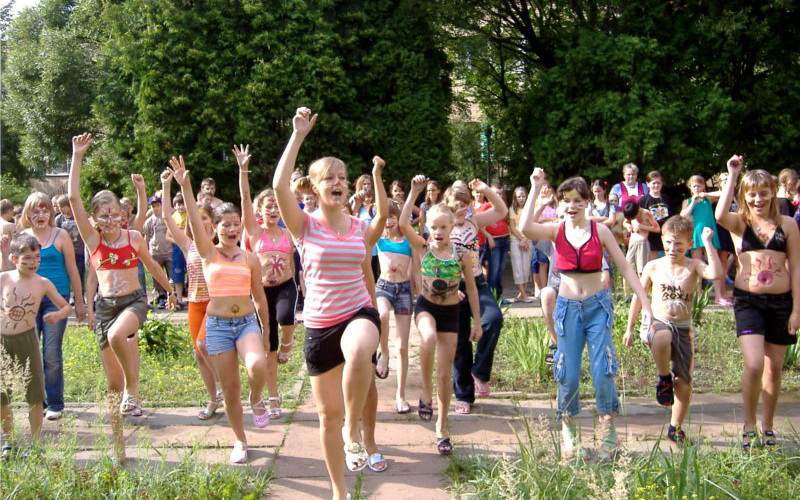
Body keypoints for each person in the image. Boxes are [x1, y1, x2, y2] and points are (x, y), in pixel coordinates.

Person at [272, 107, 387, 500]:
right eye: (329, 178)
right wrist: (298, 135)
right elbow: (279, 187)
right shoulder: (304, 225)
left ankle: (354, 430)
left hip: (359, 312)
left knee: (358, 349)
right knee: (327, 416)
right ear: (315, 188)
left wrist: (377, 178)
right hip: (320, 325)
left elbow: (381, 223)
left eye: (342, 177)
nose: (338, 182)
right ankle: (339, 491)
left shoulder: (359, 227)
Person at [520, 168, 653, 458]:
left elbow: (626, 267)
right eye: (566, 201)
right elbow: (525, 227)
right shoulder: (555, 230)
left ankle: (608, 433)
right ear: (560, 204)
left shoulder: (599, 230)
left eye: (578, 201)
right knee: (567, 372)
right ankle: (569, 432)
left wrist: (646, 304)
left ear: (587, 203)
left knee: (603, 370)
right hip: (567, 309)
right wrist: (535, 188)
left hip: (597, 308)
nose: (572, 206)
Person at [68, 133, 176, 463]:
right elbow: (73, 197)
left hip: (133, 301)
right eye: (104, 215)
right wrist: (77, 157)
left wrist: (170, 290)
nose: (111, 220)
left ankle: (135, 390)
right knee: (111, 386)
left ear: (122, 214)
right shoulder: (92, 240)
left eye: (115, 213)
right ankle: (119, 448)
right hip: (105, 307)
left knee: (119, 337)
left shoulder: (134, 237)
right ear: (95, 219)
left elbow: (153, 267)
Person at [171, 155, 271, 464]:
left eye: (236, 224)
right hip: (217, 326)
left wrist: (267, 332)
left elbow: (260, 298)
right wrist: (185, 186)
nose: (232, 228)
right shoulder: (207, 253)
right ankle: (240, 440)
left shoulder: (250, 258)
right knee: (229, 389)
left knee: (257, 366)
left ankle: (257, 398)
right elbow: (192, 217)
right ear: (215, 228)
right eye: (225, 224)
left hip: (246, 324)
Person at [715, 155, 800, 450]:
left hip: (781, 303)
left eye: (764, 193)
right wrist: (732, 175)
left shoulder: (788, 225)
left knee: (773, 369)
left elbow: (796, 267)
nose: (758, 199)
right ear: (744, 196)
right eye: (752, 194)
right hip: (748, 302)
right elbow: (719, 214)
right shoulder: (740, 223)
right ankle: (749, 425)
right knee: (753, 364)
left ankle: (768, 426)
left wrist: (797, 310)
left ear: (773, 193)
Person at [400, 175, 481, 455]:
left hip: (451, 313)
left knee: (445, 376)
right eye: (433, 227)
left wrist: (478, 322)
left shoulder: (461, 254)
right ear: (427, 228)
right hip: (426, 307)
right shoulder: (423, 247)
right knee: (427, 337)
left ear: (452, 227)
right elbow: (403, 224)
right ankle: (425, 391)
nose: (438, 231)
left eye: (443, 227)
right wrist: (413, 192)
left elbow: (472, 289)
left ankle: (442, 428)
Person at [624, 217, 723, 444]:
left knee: (684, 383)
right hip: (658, 322)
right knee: (663, 335)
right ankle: (663, 378)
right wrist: (629, 328)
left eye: (679, 244)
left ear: (689, 244)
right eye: (668, 242)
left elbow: (716, 273)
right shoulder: (653, 266)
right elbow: (639, 297)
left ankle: (675, 428)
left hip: (683, 328)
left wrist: (708, 243)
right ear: (662, 240)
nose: (672, 248)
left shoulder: (693, 266)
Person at [235, 144, 298, 419]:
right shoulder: (255, 232)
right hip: (262, 292)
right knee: (267, 346)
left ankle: (288, 343)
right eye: (268, 206)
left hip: (286, 286)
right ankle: (273, 397)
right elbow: (244, 199)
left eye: (276, 206)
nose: (273, 210)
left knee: (286, 318)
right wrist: (243, 170)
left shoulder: (288, 232)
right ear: (259, 211)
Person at [0, 234, 72, 458]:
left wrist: (57, 315)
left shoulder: (42, 283)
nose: (33, 262)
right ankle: (9, 443)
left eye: (37, 257)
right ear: (14, 259)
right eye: (27, 259)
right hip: (3, 341)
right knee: (2, 395)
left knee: (34, 394)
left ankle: (35, 444)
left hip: (27, 340)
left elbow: (66, 307)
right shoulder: (4, 278)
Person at [160, 170, 222, 420]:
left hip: (215, 303)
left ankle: (222, 384)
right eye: (197, 218)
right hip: (195, 302)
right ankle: (213, 400)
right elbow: (167, 216)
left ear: (213, 224)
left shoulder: (221, 246)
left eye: (205, 218)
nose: (200, 222)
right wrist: (166, 186)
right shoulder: (188, 246)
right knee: (199, 353)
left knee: (204, 345)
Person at [20, 192, 86, 421]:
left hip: (56, 299)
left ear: (51, 212)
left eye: (45, 210)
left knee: (51, 352)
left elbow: (73, 269)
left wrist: (79, 301)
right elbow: (12, 270)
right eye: (35, 211)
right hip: (29, 299)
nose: (40, 215)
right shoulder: (23, 237)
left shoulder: (61, 235)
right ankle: (38, 401)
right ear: (27, 213)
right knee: (31, 352)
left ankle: (55, 403)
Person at [446, 180, 507, 413]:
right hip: (454, 287)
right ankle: (464, 396)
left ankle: (479, 372)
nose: (461, 213)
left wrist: (485, 190)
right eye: (456, 209)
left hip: (478, 283)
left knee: (493, 319)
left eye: (465, 207)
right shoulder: (442, 227)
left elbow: (501, 211)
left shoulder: (474, 222)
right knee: (460, 342)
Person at [375, 201, 413, 412]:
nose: (388, 221)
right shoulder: (379, 240)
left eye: (392, 217)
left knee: (403, 347)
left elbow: (416, 270)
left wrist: (419, 291)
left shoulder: (408, 240)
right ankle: (384, 353)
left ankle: (401, 395)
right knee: (382, 315)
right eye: (385, 217)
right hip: (384, 287)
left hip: (404, 290)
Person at [680, 175, 729, 306]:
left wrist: (706, 194)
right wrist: (693, 202)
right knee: (698, 263)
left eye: (699, 185)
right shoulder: (687, 201)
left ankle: (718, 295)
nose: (697, 188)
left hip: (710, 233)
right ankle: (698, 294)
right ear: (690, 188)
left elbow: (723, 193)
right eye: (694, 186)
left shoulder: (708, 199)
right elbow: (683, 215)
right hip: (696, 234)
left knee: (714, 262)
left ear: (703, 186)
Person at [143, 195, 173, 308]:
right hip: (155, 251)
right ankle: (161, 295)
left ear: (161, 205)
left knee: (172, 274)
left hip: (168, 250)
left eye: (158, 205)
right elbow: (147, 237)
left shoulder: (167, 218)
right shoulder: (148, 221)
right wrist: (146, 251)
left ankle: (173, 295)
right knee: (157, 275)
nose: (156, 208)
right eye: (153, 206)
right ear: (150, 207)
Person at [485, 183, 510, 302]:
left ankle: (499, 295)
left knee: (500, 270)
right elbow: (478, 224)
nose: (498, 195)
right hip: (494, 242)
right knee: (493, 270)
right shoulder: (486, 207)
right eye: (495, 193)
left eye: (499, 193)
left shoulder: (503, 207)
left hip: (505, 239)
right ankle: (493, 297)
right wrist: (489, 236)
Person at [638, 171, 671, 260]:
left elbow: (672, 217)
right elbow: (639, 217)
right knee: (653, 260)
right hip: (651, 234)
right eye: (654, 183)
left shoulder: (666, 199)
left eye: (658, 183)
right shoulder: (644, 200)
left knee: (667, 258)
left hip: (665, 232)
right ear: (648, 184)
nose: (656, 185)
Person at [508, 187, 533, 303]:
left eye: (523, 196)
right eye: (519, 196)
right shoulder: (512, 209)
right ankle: (523, 295)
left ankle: (522, 294)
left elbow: (532, 225)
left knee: (526, 268)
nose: (521, 199)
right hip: (515, 240)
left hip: (528, 240)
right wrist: (522, 239)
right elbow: (512, 228)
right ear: (515, 198)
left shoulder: (530, 209)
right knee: (517, 267)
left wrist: (525, 239)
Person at [622, 201, 658, 278]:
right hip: (632, 242)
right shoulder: (630, 213)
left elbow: (657, 228)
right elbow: (624, 222)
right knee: (627, 267)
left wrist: (642, 226)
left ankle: (643, 284)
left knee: (641, 270)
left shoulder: (646, 213)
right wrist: (627, 226)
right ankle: (628, 285)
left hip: (642, 243)